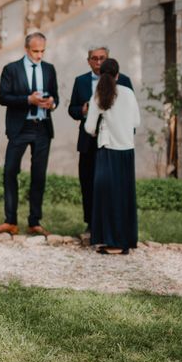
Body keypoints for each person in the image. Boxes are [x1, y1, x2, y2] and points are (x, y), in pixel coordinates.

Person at [0, 32, 58, 236]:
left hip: (42, 128)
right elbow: (4, 97)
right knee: (10, 171)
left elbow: (56, 98)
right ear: (27, 49)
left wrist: (51, 103)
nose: (39, 55)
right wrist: (28, 100)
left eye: (42, 51)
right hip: (20, 128)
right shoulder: (11, 69)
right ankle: (10, 220)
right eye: (35, 51)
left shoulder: (49, 69)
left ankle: (34, 221)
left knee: (39, 176)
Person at [68, 46, 134, 234]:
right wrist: (82, 111)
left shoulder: (125, 82)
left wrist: (126, 136)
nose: (98, 62)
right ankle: (91, 223)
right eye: (94, 58)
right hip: (88, 142)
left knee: (112, 186)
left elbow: (131, 115)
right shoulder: (80, 81)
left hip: (114, 143)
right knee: (88, 183)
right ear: (88, 60)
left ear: (108, 59)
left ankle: (112, 225)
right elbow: (72, 109)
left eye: (102, 58)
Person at [84, 58, 140, 254]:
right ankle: (124, 241)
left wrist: (101, 126)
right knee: (124, 196)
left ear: (101, 74)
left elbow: (89, 127)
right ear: (118, 74)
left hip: (107, 151)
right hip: (127, 150)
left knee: (107, 197)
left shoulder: (98, 95)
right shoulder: (128, 92)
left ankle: (111, 241)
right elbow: (136, 121)